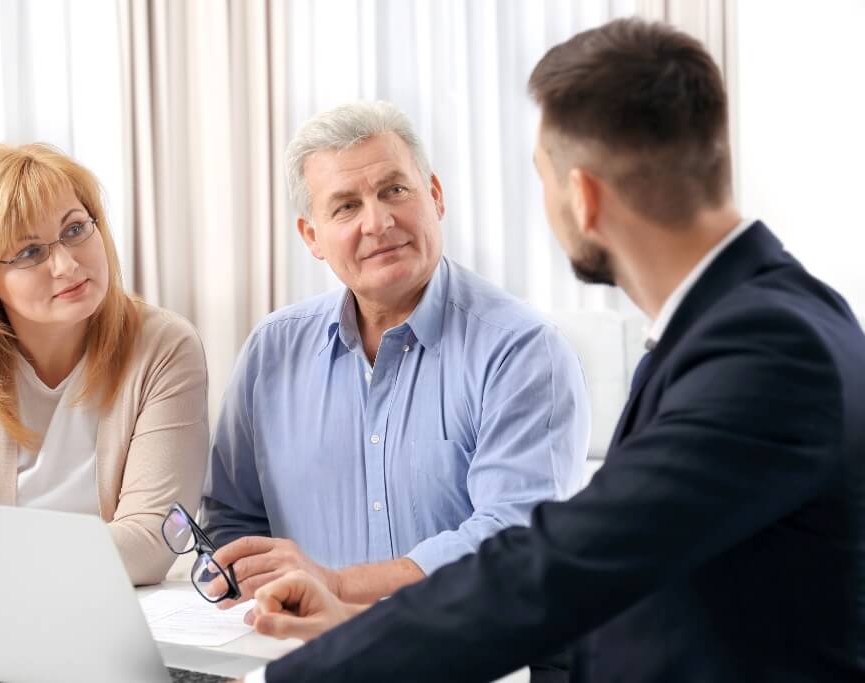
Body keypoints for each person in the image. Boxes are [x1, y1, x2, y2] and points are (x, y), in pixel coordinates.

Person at [238, 18, 865, 682]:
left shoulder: (765, 351)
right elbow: (616, 591)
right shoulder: (756, 321)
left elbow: (561, 566)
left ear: (583, 196)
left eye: (541, 175)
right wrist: (351, 628)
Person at [202, 101, 590, 612]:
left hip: (475, 657)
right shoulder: (271, 350)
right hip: (305, 654)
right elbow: (233, 521)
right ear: (312, 236)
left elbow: (512, 537)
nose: (378, 222)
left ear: (434, 196)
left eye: (395, 190)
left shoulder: (521, 349)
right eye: (345, 206)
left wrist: (338, 587)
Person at [0, 143, 209, 602]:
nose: (67, 264)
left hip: (100, 615)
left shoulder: (164, 346)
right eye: (29, 252)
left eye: (74, 229)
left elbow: (153, 543)